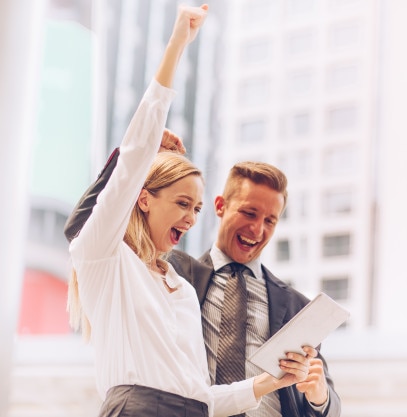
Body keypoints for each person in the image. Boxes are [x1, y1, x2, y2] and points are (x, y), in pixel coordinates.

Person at [65, 20, 341, 417]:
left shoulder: (177, 287)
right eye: (182, 203)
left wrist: (274, 381)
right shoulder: (107, 259)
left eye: (194, 210)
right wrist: (177, 44)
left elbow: (203, 398)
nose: (191, 219)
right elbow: (131, 161)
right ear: (142, 199)